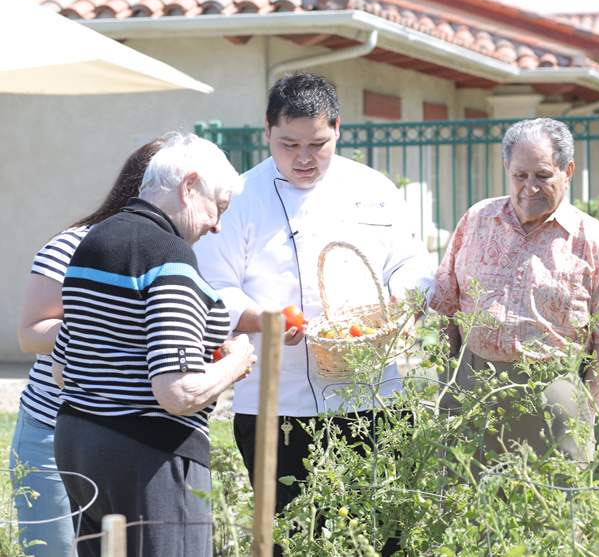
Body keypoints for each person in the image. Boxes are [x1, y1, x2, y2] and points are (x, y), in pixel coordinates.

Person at [192, 73, 434, 533]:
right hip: (277, 401)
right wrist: (262, 319)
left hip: (374, 395)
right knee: (292, 532)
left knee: (379, 531)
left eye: (317, 144)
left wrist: (402, 302)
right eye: (288, 144)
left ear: (338, 128)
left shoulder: (375, 188)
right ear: (267, 131)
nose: (303, 158)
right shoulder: (240, 200)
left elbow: (413, 263)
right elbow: (213, 287)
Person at [51, 132, 256, 557]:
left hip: (80, 442)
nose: (217, 224)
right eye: (217, 206)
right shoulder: (168, 255)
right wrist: (236, 361)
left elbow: (63, 369)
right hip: (149, 458)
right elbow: (177, 392)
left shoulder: (94, 240)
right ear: (189, 186)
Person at [429, 118, 599, 459]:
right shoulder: (476, 220)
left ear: (567, 171)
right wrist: (449, 381)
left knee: (551, 504)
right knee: (464, 501)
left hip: (552, 396)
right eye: (519, 176)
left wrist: (585, 412)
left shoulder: (594, 243)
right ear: (506, 169)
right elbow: (447, 306)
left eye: (542, 175)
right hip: (471, 384)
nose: (530, 187)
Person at [12, 138, 165, 557]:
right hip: (54, 428)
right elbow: (30, 333)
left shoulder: (175, 252)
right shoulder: (73, 244)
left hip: (132, 435)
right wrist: (99, 326)